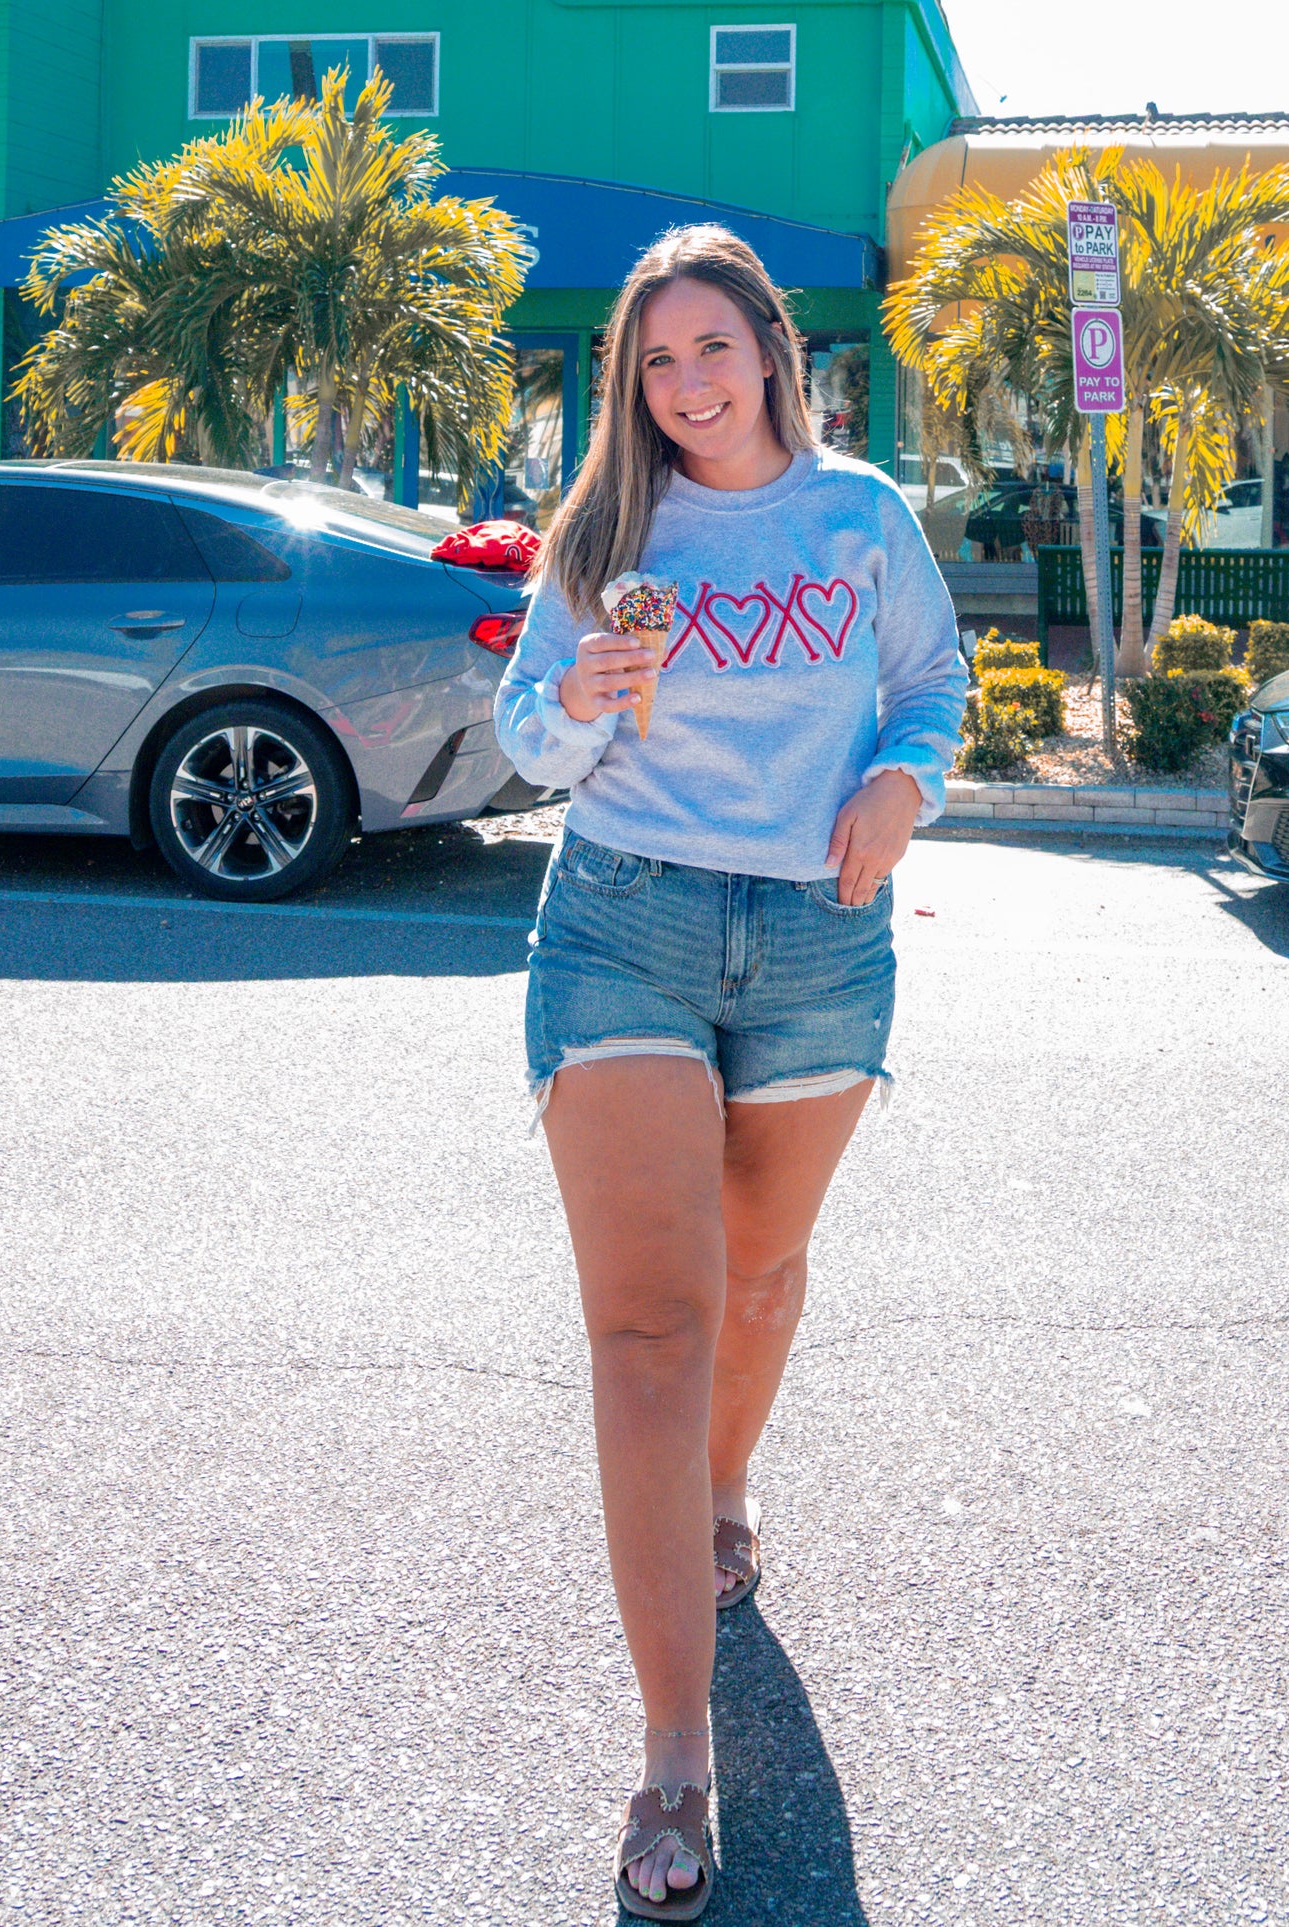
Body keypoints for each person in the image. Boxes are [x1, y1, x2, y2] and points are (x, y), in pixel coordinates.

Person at [495, 224, 966, 1918]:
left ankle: (719, 1489)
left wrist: (904, 783)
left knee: (759, 1272)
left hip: (822, 932)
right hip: (624, 920)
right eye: (655, 363)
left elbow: (930, 685)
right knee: (649, 1330)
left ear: (772, 348)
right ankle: (676, 1750)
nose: (687, 385)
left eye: (712, 348)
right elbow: (529, 743)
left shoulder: (860, 518)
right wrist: (583, 694)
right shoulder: (605, 537)